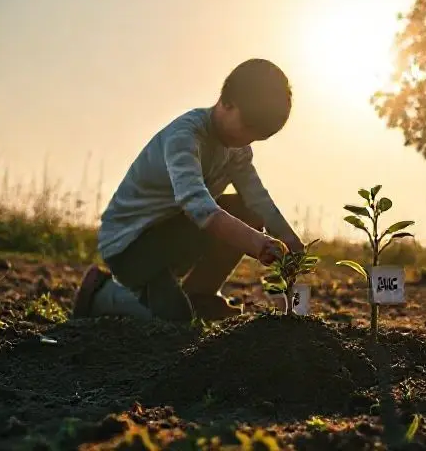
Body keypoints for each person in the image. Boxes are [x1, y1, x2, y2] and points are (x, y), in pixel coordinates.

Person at [71, 58, 302, 323]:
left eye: (257, 136)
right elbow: (199, 207)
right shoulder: (186, 136)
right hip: (132, 244)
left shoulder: (237, 148)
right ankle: (100, 295)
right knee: (180, 322)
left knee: (247, 210)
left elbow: (256, 197)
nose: (247, 140)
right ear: (227, 102)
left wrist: (289, 238)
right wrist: (257, 243)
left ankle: (199, 295)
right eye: (248, 128)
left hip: (172, 232)